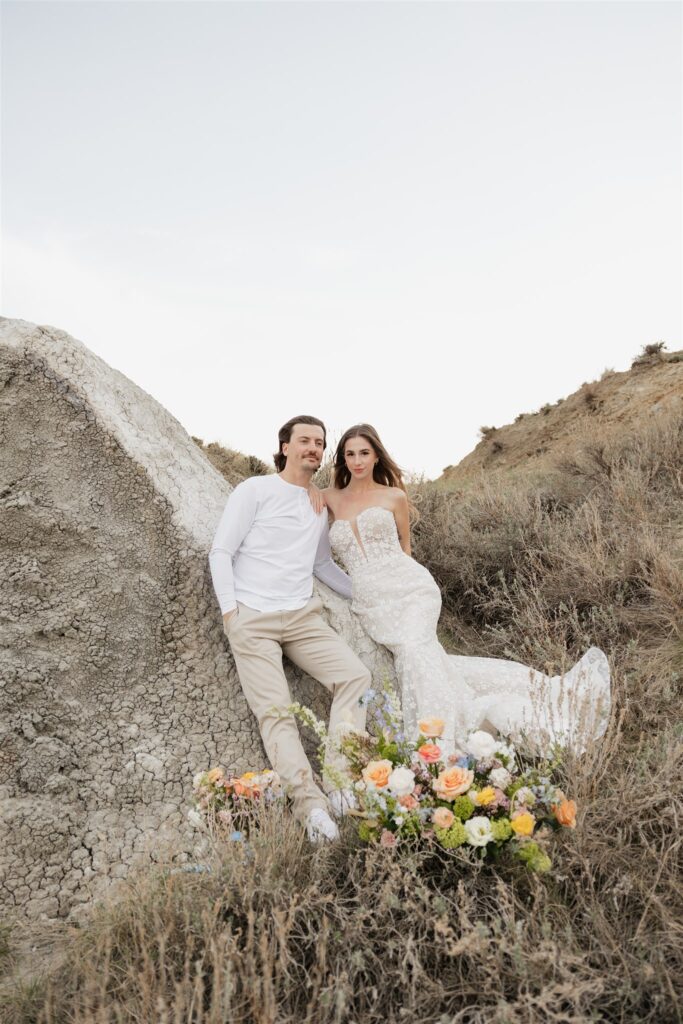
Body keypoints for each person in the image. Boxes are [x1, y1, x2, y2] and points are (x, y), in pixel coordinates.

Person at [315, 423, 611, 757]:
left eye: (364, 453)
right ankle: (523, 694)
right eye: (350, 454)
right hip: (369, 601)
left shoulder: (394, 496)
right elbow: (318, 554)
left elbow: (406, 552)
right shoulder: (327, 499)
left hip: (411, 590)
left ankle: (435, 748)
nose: (357, 461)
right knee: (432, 663)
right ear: (341, 458)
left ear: (376, 456)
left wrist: (403, 590)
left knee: (414, 652)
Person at [208, 415, 370, 842]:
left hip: (302, 616)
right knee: (277, 712)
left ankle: (339, 783)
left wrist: (369, 594)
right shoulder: (255, 490)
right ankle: (311, 807)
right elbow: (221, 551)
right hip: (253, 618)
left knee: (356, 677)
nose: (313, 449)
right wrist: (231, 614)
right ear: (284, 447)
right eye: (304, 441)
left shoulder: (317, 505)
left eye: (319, 442)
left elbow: (321, 565)